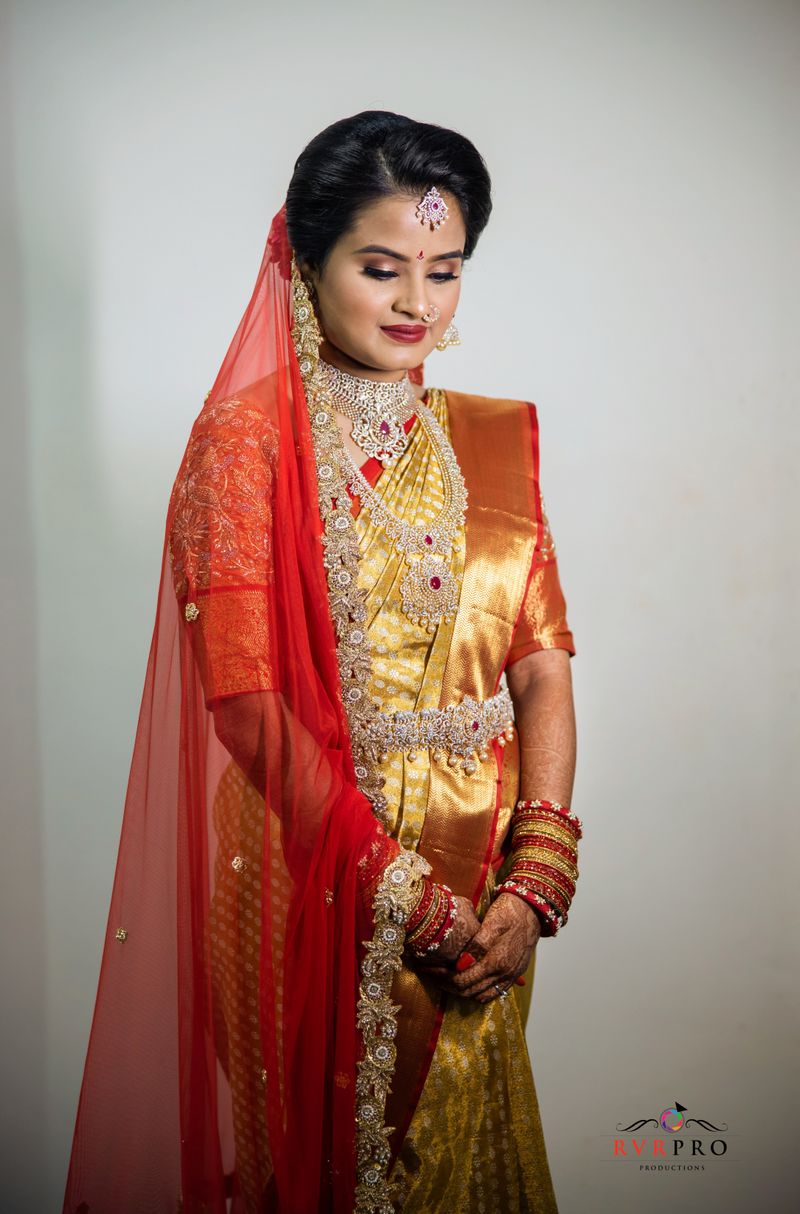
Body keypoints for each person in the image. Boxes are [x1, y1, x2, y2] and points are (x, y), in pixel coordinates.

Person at [62, 110, 581, 1214]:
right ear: (307, 262)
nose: (415, 304)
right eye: (381, 267)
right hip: (309, 868)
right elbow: (246, 705)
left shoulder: (489, 440)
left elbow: (539, 660)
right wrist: (406, 896)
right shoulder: (243, 444)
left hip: (480, 869)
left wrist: (534, 872)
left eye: (444, 271)